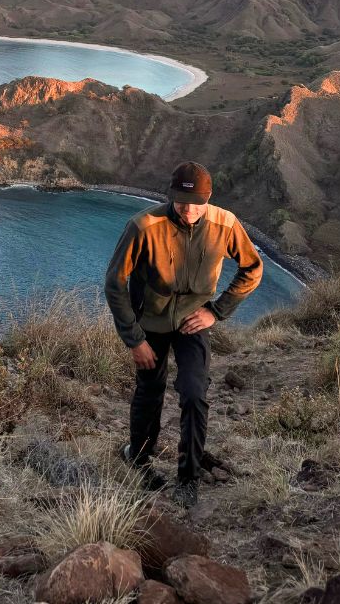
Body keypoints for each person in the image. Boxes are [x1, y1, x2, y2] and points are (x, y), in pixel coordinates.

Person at [104, 161, 263, 507]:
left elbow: (252, 268)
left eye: (196, 202)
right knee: (150, 391)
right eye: (180, 201)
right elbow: (114, 283)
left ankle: (188, 478)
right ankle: (138, 458)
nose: (187, 209)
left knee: (194, 393)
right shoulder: (143, 226)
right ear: (170, 196)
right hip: (150, 324)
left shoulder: (226, 224)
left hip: (194, 322)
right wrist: (134, 339)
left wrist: (216, 311)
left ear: (209, 198)